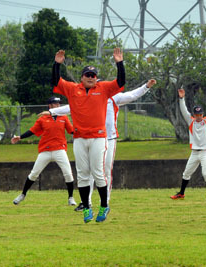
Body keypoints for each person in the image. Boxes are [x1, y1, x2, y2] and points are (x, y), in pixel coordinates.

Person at [47, 79, 157, 211]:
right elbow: (71, 107)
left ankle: (105, 202)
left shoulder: (113, 97)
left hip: (109, 138)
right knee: (89, 170)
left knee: (104, 170)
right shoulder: (86, 97)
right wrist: (52, 112)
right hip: (92, 137)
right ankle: (86, 202)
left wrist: (146, 86)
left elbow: (132, 95)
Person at [52, 48, 125, 223]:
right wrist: (57, 65)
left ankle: (104, 205)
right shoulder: (72, 89)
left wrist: (119, 63)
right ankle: (86, 207)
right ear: (82, 77)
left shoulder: (104, 88)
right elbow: (55, 82)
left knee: (98, 172)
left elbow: (121, 82)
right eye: (87, 74)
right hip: (79, 138)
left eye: (93, 75)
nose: (91, 77)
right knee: (83, 174)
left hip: (98, 138)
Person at [11, 97, 76, 206]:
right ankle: (22, 195)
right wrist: (20, 137)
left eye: (59, 103)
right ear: (50, 106)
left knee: (68, 174)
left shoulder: (63, 117)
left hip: (59, 149)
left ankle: (70, 198)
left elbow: (72, 131)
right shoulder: (43, 118)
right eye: (55, 104)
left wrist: (83, 132)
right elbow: (32, 130)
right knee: (34, 174)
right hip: (45, 150)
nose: (58, 105)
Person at [170, 88, 206, 201]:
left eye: (200, 114)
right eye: (197, 114)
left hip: (205, 152)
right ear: (194, 114)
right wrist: (181, 98)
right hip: (194, 152)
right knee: (186, 173)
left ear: (202, 114)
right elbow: (184, 111)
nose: (198, 116)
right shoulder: (191, 121)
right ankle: (181, 193)